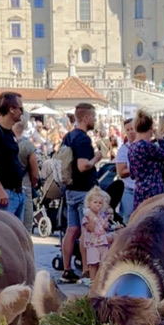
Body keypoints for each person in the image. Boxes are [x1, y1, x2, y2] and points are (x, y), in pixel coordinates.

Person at [60, 102, 102, 284]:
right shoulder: (83, 139)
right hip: (84, 190)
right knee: (86, 229)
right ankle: (86, 270)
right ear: (85, 118)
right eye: (93, 116)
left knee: (72, 229)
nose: (95, 120)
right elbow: (83, 165)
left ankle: (67, 269)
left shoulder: (68, 137)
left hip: (70, 189)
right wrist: (97, 158)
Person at [127, 109, 164, 210]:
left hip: (139, 191)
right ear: (151, 128)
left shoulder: (131, 147)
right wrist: (160, 139)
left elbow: (132, 175)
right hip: (154, 189)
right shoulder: (149, 146)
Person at [13, 115, 40, 233]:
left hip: (3, 186)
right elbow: (35, 174)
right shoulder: (27, 145)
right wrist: (33, 183)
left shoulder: (2, 139)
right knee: (24, 225)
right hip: (24, 184)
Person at [81, 186, 112, 282]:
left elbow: (104, 229)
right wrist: (91, 218)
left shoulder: (101, 216)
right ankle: (92, 281)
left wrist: (106, 225)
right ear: (89, 204)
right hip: (92, 244)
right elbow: (90, 228)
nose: (98, 205)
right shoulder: (87, 217)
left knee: (103, 263)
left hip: (102, 243)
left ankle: (101, 282)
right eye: (95, 202)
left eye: (100, 203)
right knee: (93, 263)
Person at [115, 117, 137, 224]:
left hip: (144, 189)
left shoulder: (146, 146)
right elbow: (121, 172)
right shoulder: (123, 150)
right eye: (127, 130)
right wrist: (137, 168)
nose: (130, 132)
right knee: (128, 219)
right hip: (129, 190)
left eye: (132, 129)